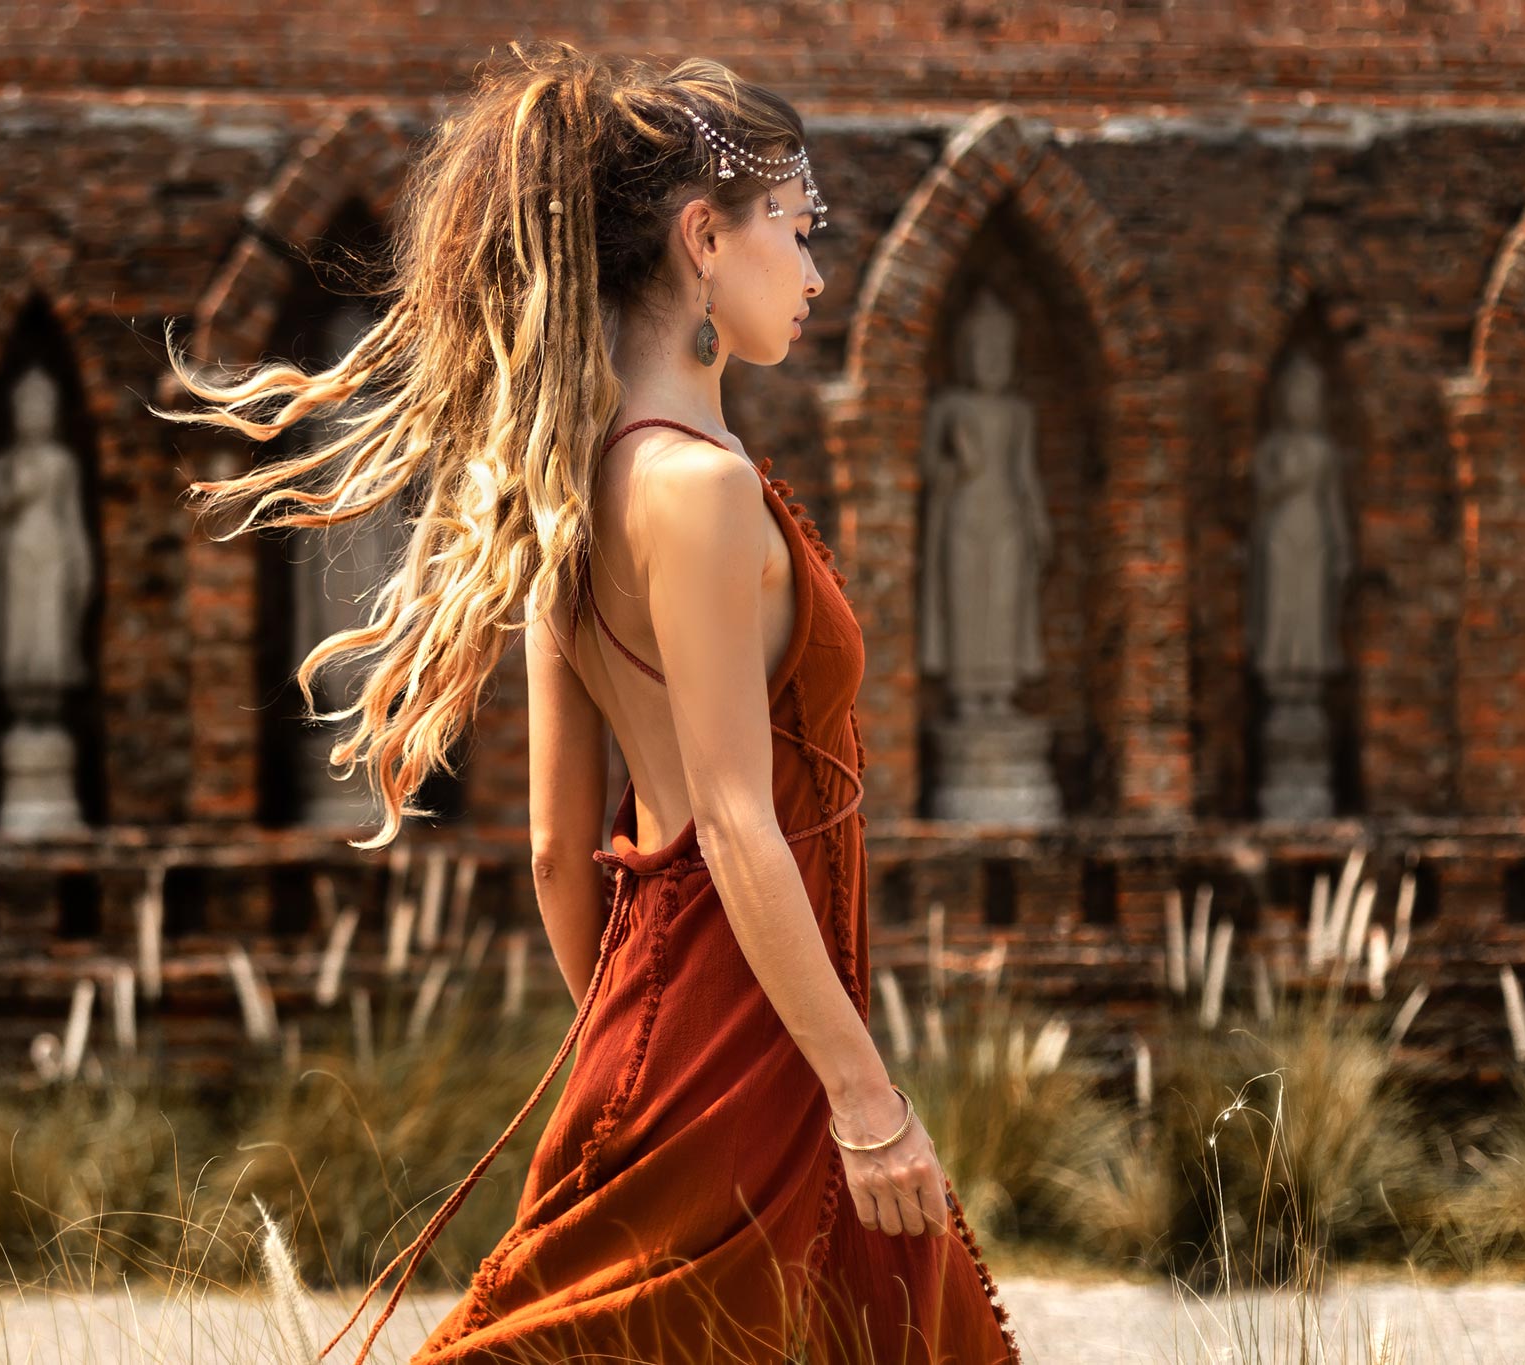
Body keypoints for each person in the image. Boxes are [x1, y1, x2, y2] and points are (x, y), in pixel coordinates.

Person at [151, 41, 1022, 1365]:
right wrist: (859, 1091)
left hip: (658, 1030)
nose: (816, 269)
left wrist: (639, 1058)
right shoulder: (704, 491)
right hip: (769, 1050)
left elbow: (564, 854)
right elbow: (736, 820)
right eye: (798, 228)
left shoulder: (568, 489)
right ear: (701, 238)